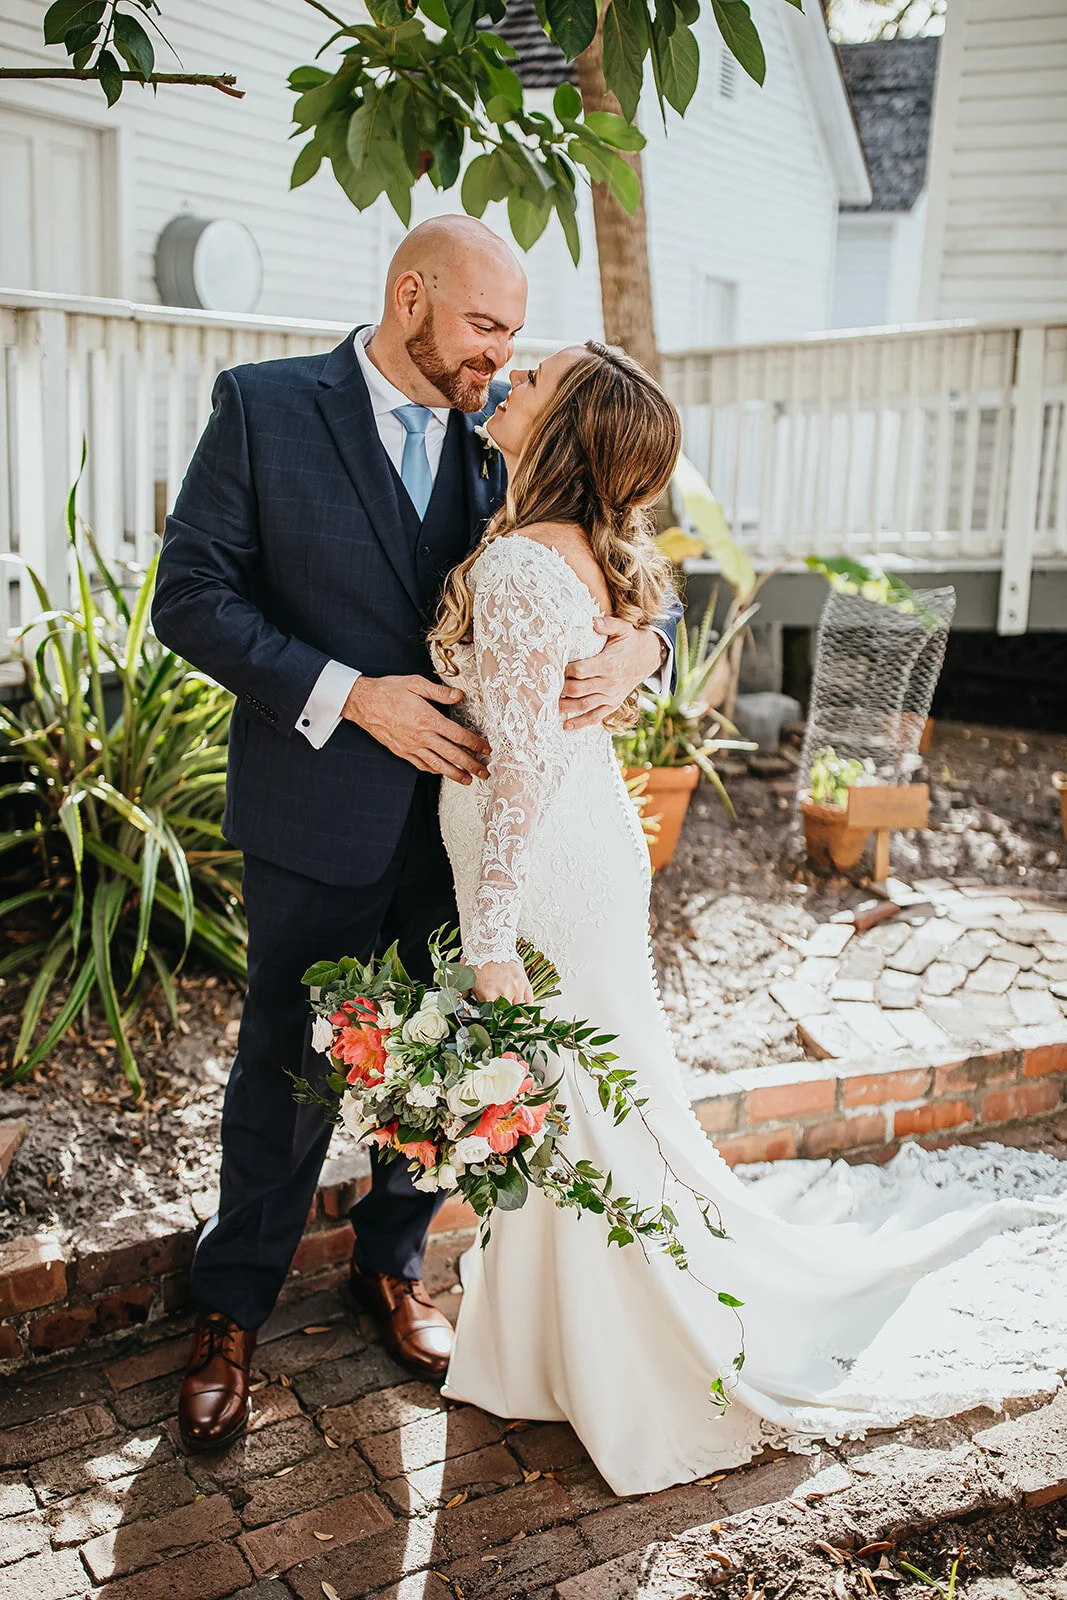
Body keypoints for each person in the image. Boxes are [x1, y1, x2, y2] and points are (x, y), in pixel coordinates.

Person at [427, 340, 1067, 1496]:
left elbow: (517, 769)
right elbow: (595, 665)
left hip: (544, 869)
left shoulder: (527, 564)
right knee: (582, 1097)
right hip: (575, 850)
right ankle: (542, 1345)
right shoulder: (559, 546)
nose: (509, 374)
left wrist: (486, 940)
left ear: (565, 431)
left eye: (537, 375)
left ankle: (602, 1356)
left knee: (575, 1097)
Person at [151, 218, 682, 1453]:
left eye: (513, 337)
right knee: (285, 1068)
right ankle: (230, 1313)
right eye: (486, 328)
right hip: (318, 809)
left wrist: (640, 648)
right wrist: (353, 694)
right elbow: (191, 596)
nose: (501, 358)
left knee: (452, 1061)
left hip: (469, 835)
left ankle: (394, 1267)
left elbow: (629, 536)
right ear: (409, 299)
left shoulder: (512, 434)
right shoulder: (263, 407)